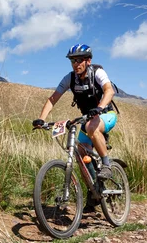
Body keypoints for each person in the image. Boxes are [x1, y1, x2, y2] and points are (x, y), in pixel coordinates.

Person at [32, 44, 118, 212]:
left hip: (106, 115)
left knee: (91, 127)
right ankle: (94, 193)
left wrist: (99, 108)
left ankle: (107, 165)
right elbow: (52, 99)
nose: (75, 64)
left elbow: (109, 91)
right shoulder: (70, 79)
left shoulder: (97, 72)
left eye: (79, 60)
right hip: (87, 119)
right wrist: (42, 119)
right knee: (81, 154)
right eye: (72, 60)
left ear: (88, 61)